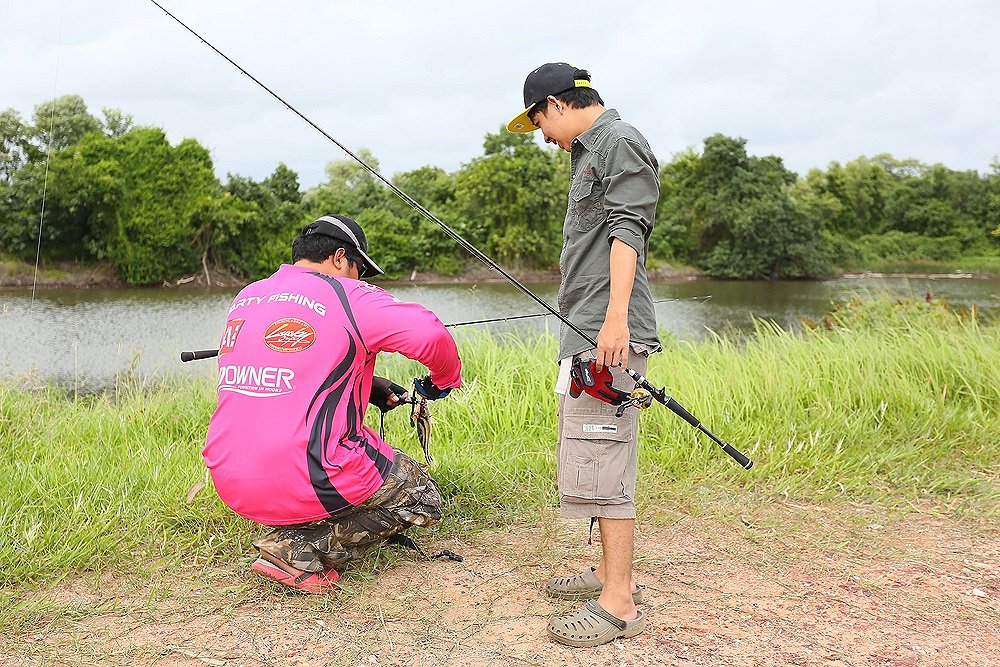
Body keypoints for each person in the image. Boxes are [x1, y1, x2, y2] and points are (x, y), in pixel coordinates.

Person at [203, 214, 462, 592]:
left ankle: (293, 521)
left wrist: (368, 384)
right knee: (421, 497)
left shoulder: (249, 295)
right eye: (360, 270)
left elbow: (289, 365)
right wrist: (442, 383)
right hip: (305, 471)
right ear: (341, 258)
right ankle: (296, 549)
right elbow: (431, 335)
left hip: (228, 474)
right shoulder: (349, 294)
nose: (360, 280)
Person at [507, 63, 661, 646]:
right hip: (589, 328)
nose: (542, 135)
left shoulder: (619, 142)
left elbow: (629, 231)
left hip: (608, 330)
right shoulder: (590, 151)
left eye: (540, 121)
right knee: (592, 450)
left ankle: (617, 601)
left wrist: (615, 316)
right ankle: (605, 573)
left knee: (604, 452)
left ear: (556, 103)